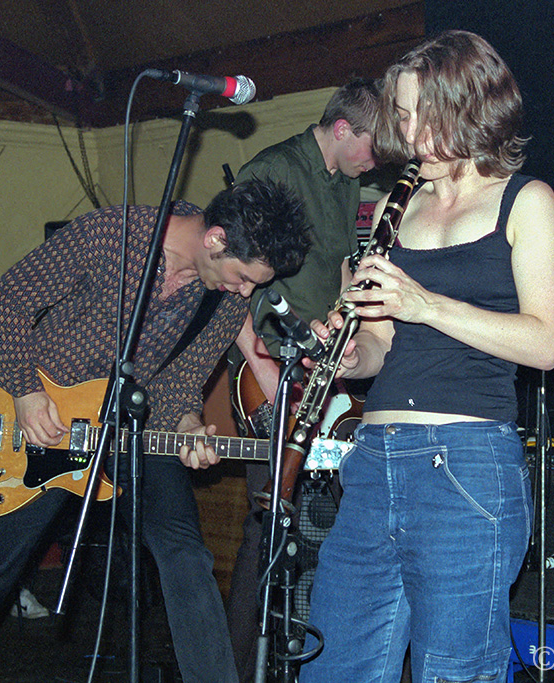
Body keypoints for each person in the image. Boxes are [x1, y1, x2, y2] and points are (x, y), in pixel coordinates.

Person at [0, 179, 311, 683]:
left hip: (131, 434)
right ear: (215, 239)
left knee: (186, 555)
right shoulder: (112, 235)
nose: (246, 292)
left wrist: (189, 425)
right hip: (44, 429)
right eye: (244, 276)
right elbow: (12, 296)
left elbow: (179, 384)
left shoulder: (224, 302)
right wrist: (25, 391)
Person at [299, 31, 554, 683]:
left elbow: (546, 342)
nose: (410, 132)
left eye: (423, 112)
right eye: (403, 115)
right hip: (372, 460)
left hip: (465, 467)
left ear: (472, 104)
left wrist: (426, 305)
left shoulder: (526, 201)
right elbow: (381, 343)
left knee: (454, 670)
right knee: (333, 667)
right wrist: (349, 355)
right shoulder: (397, 210)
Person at [225, 78, 380, 682]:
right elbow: (228, 282)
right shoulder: (273, 170)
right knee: (268, 523)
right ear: (342, 129)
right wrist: (263, 368)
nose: (376, 160)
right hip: (270, 372)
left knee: (326, 523)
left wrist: (350, 335)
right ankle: (237, 671)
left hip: (320, 372)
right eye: (371, 145)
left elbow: (338, 268)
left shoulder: (347, 182)